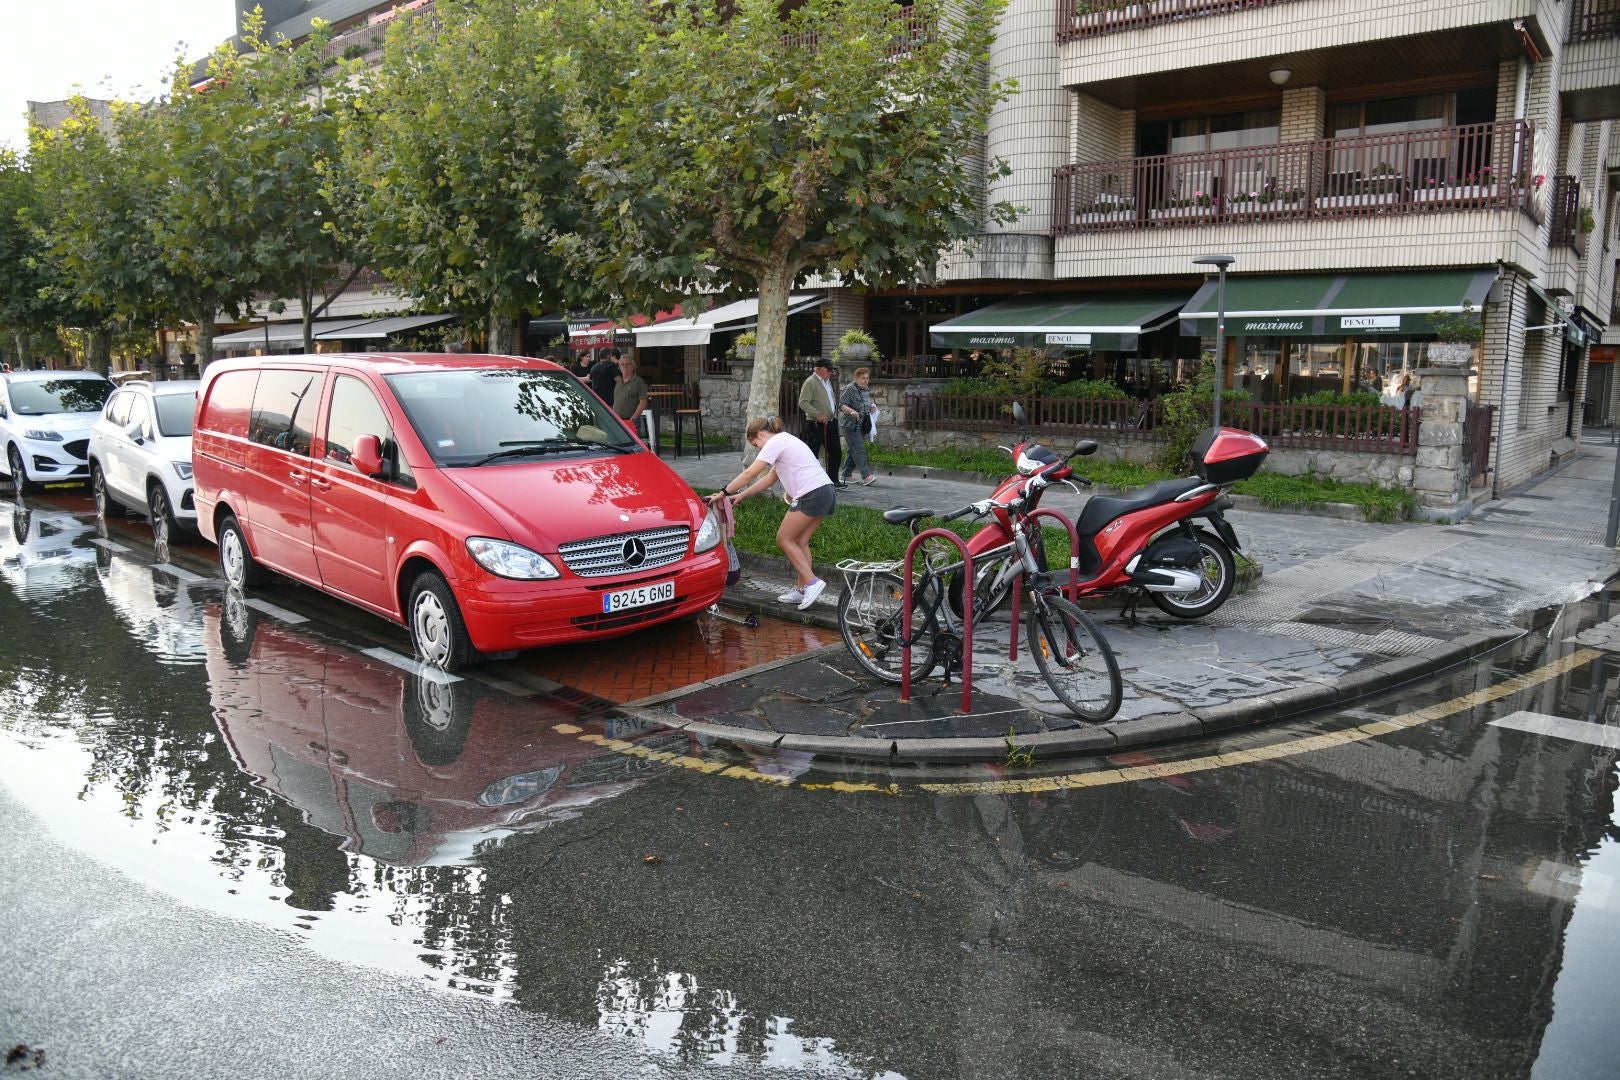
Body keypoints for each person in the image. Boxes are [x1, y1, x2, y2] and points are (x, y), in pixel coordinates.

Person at [708, 415, 835, 610]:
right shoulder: (786, 440)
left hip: (811, 494)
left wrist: (724, 492)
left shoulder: (775, 442)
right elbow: (768, 479)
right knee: (800, 542)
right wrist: (741, 496)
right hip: (825, 491)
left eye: (755, 443)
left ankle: (812, 582)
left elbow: (749, 473)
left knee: (784, 539)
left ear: (760, 434)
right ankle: (802, 590)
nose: (758, 448)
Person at [797, 359, 843, 486]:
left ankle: (833, 480)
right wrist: (817, 414)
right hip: (815, 424)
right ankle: (810, 481)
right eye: (827, 370)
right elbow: (803, 402)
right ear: (819, 369)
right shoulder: (810, 382)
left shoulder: (827, 381)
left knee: (836, 452)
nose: (830, 373)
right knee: (812, 453)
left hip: (831, 422)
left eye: (831, 370)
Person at [837, 366, 878, 486]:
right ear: (856, 378)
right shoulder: (850, 388)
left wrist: (871, 406)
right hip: (849, 425)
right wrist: (851, 411)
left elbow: (864, 403)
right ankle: (866, 476)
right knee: (859, 450)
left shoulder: (866, 389)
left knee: (852, 450)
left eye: (867, 378)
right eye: (863, 378)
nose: (865, 380)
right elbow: (841, 405)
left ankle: (846, 475)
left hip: (861, 424)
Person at [612, 353, 649, 436]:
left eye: (627, 364)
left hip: (631, 422)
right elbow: (615, 401)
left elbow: (643, 402)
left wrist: (633, 418)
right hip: (617, 422)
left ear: (633, 367)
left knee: (631, 447)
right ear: (619, 367)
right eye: (622, 364)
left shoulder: (638, 381)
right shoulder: (619, 383)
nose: (624, 366)